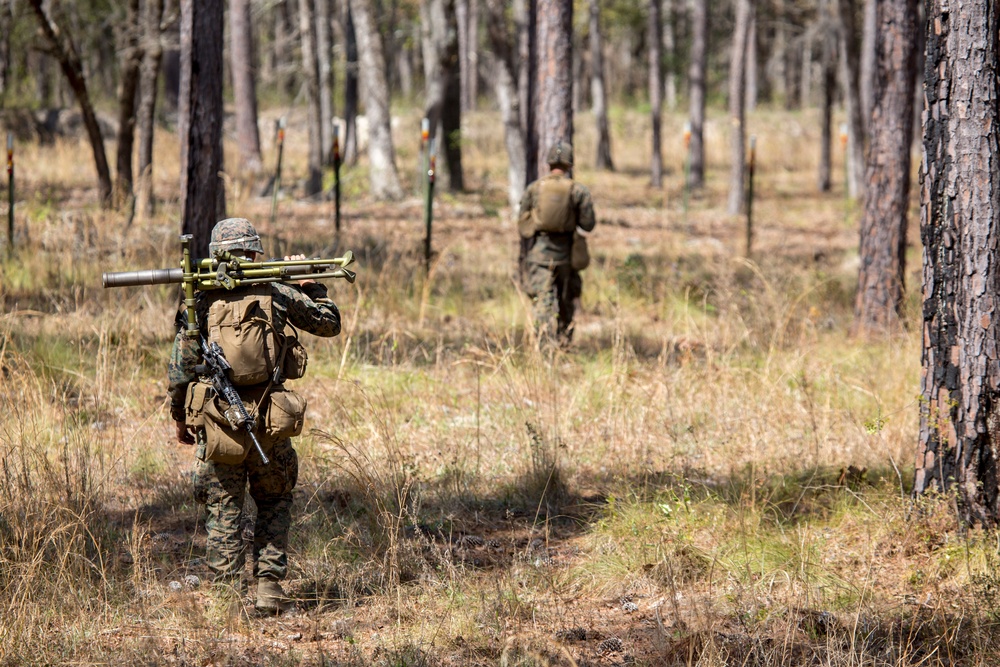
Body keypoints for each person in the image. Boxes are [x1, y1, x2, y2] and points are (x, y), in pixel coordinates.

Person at [167, 217, 341, 613]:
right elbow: (329, 323)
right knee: (274, 501)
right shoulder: (277, 291)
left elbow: (181, 366)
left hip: (219, 419)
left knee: (224, 507)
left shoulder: (200, 298)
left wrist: (180, 416)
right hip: (269, 420)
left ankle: (227, 602)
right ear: (254, 252)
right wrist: (311, 285)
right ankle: (269, 593)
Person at [518, 141, 596, 344]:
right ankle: (564, 344)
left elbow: (524, 226)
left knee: (542, 302)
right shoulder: (578, 191)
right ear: (570, 164)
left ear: (549, 163)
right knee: (566, 302)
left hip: (540, 255)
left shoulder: (534, 189)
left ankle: (543, 346)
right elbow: (588, 225)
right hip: (567, 257)